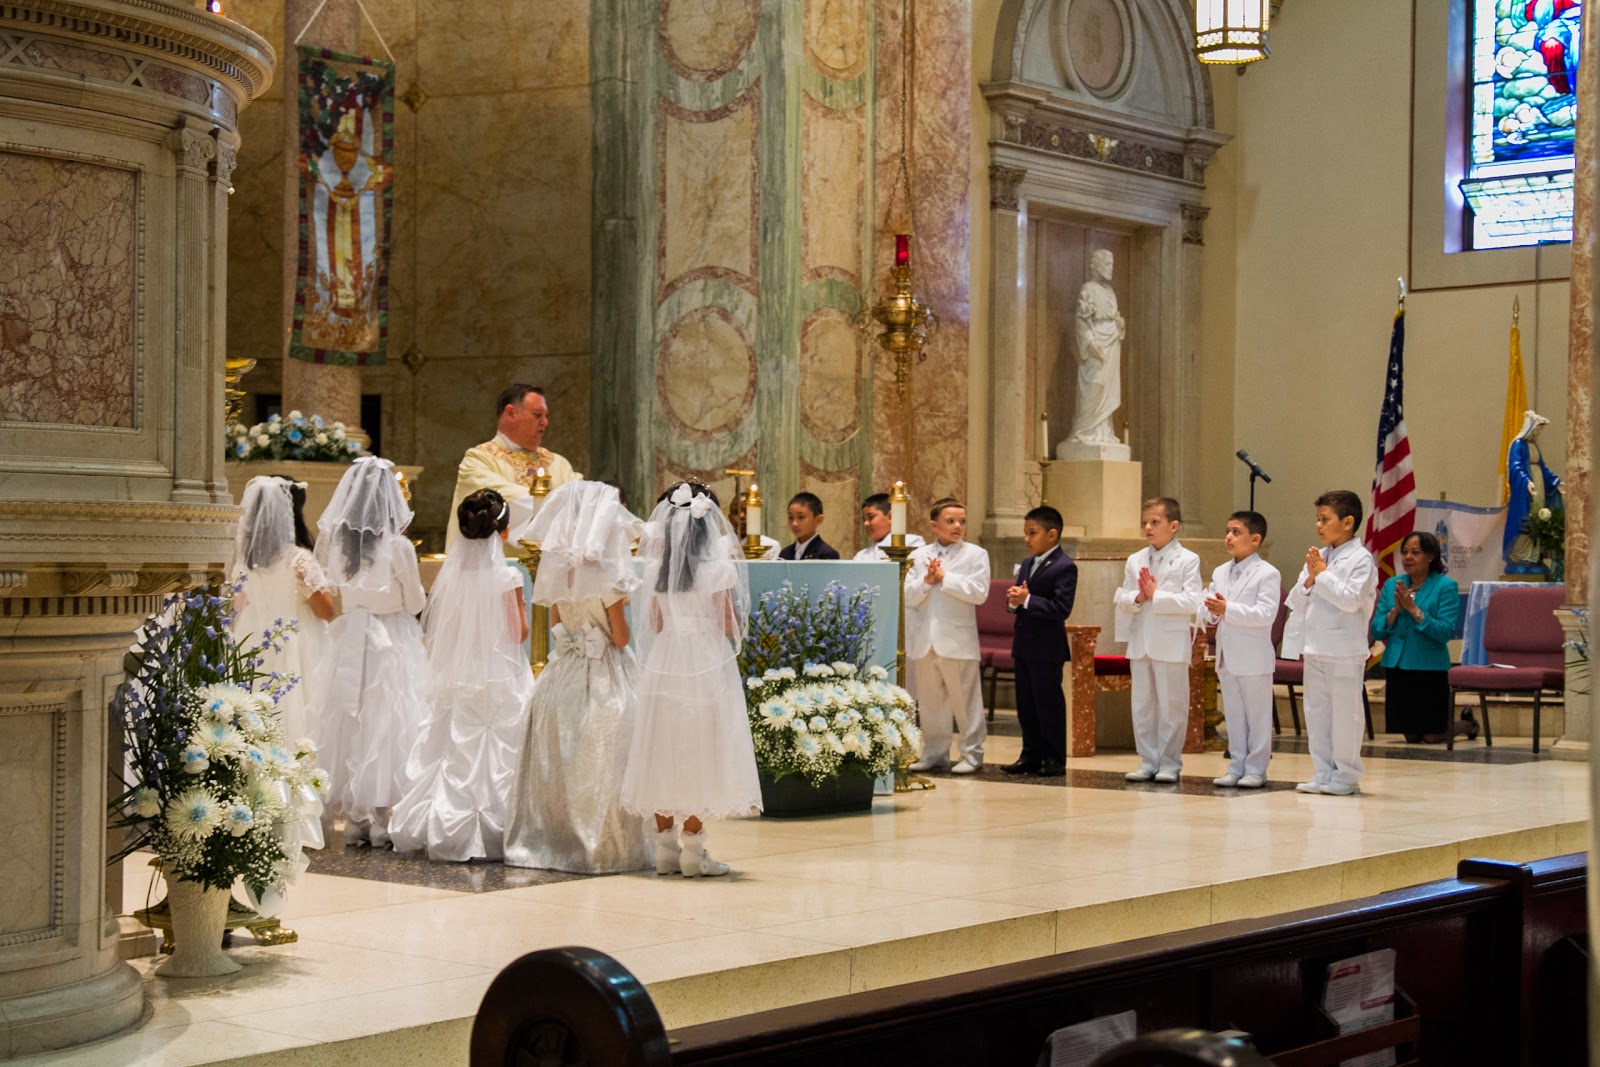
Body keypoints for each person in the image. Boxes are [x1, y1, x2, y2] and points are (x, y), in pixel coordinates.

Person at [505, 480, 652, 874]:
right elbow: (620, 638)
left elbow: (556, 625)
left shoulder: (558, 572)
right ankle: (603, 845)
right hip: (605, 673)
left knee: (563, 760)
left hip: (563, 674)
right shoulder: (610, 576)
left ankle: (558, 839)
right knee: (604, 758)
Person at [621, 482, 761, 876]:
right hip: (704, 660)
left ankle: (665, 846)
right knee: (700, 744)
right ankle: (694, 851)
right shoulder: (717, 570)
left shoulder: (657, 570)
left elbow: (655, 621)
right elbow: (728, 623)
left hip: (667, 657)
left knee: (664, 743)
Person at [389, 489, 532, 862]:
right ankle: (497, 830)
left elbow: (440, 632)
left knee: (449, 744)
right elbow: (518, 633)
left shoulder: (452, 577)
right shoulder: (507, 575)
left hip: (459, 672)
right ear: (502, 531)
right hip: (498, 672)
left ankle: (436, 821)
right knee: (496, 744)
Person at [307, 456, 432, 847]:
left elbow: (335, 591)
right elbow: (413, 602)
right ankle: (382, 817)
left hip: (351, 638)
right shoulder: (399, 548)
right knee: (390, 723)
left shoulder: (340, 546)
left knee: (350, 721)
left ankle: (356, 818)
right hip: (391, 640)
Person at [229, 475, 337, 744]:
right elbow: (326, 610)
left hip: (253, 635)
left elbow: (238, 606)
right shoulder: (299, 560)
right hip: (296, 639)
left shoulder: (246, 560)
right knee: (299, 704)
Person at [1287, 489, 1378, 797]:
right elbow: (1296, 600)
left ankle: (1347, 774)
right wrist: (1311, 578)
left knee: (1345, 715)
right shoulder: (1319, 557)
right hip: (1315, 646)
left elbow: (1351, 601)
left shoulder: (1361, 559)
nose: (1319, 526)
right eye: (1317, 519)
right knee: (1317, 712)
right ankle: (1322, 771)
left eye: (1325, 519)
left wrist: (1322, 576)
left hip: (1344, 649)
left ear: (1348, 522)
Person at [1114, 497, 1202, 784]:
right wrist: (1138, 597)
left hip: (1171, 643)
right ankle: (1147, 760)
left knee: (1172, 706)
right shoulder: (1135, 559)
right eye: (1145, 523)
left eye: (1155, 522)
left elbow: (1192, 600)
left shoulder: (1188, 559)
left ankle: (1170, 763)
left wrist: (1156, 595)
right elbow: (1124, 597)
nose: (1148, 528)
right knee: (1143, 706)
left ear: (1173, 525)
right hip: (1141, 641)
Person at [905, 498, 992, 774]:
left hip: (957, 639)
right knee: (931, 703)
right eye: (950, 521)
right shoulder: (917, 556)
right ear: (934, 525)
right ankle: (934, 752)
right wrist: (927, 581)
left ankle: (971, 754)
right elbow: (907, 596)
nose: (958, 526)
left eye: (962, 521)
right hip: (924, 639)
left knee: (965, 702)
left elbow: (979, 592)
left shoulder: (975, 554)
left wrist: (945, 577)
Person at [447, 384, 582, 554]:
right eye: (537, 415)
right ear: (511, 413)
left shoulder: (558, 464)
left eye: (546, 416)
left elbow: (581, 501)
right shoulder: (478, 460)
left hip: (553, 570)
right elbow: (496, 502)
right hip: (497, 570)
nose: (545, 422)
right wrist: (554, 502)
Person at [1202, 511, 1282, 789]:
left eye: (1236, 531)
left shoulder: (1267, 573)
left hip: (1254, 656)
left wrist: (1227, 609)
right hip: (1227, 654)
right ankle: (1236, 765)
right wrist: (1210, 611)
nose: (1228, 537)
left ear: (1255, 539)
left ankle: (1256, 769)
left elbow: (1265, 614)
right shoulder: (1221, 572)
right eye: (1227, 530)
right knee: (1235, 716)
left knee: (1257, 716)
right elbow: (1210, 606)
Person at [1371, 531, 1466, 744]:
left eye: (1415, 552)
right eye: (1405, 552)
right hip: (1398, 664)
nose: (1408, 557)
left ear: (1430, 556)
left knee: (1432, 735)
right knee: (1411, 736)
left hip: (1429, 667)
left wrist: (1414, 609)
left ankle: (1467, 724)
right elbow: (1377, 630)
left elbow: (1444, 632)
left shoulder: (1445, 586)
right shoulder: (1393, 584)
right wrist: (1395, 610)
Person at [1003, 505, 1078, 776]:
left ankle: (1054, 759)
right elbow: (1019, 601)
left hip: (1047, 647)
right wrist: (1014, 602)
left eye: (1032, 533)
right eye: (1025, 533)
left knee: (1048, 704)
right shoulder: (1027, 564)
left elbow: (1061, 608)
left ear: (1052, 534)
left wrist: (1028, 600)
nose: (1026, 539)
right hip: (1024, 644)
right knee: (1026, 704)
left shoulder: (1064, 566)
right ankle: (1030, 755)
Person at [1062, 248, 1126, 457]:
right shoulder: (1088, 288)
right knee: (1093, 386)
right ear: (1097, 265)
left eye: (1113, 265)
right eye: (1107, 264)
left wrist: (1119, 325)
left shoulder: (1110, 292)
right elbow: (1081, 320)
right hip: (1096, 344)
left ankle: (1104, 431)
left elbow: (1114, 316)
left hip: (1111, 343)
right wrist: (1090, 342)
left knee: (1107, 388)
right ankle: (1085, 430)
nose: (1111, 269)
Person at [1503, 409, 1563, 573]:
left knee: (1537, 518)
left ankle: (1534, 556)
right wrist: (1526, 482)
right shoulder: (1517, 445)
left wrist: (1555, 481)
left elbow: (1542, 467)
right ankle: (1520, 557)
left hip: (1539, 485)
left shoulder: (1533, 446)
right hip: (1526, 488)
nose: (1538, 432)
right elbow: (1516, 467)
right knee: (1526, 519)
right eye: (1537, 429)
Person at [853, 493, 925, 561]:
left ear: (891, 517)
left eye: (870, 517)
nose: (865, 523)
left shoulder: (911, 543)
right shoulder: (861, 556)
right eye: (864, 519)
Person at [778, 492, 840, 560]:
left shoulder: (827, 554)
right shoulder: (785, 553)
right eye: (791, 517)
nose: (794, 523)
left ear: (818, 520)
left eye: (801, 517)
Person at [728, 492, 780, 560]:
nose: (742, 516)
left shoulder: (772, 546)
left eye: (747, 511)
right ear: (729, 518)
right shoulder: (720, 544)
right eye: (736, 512)